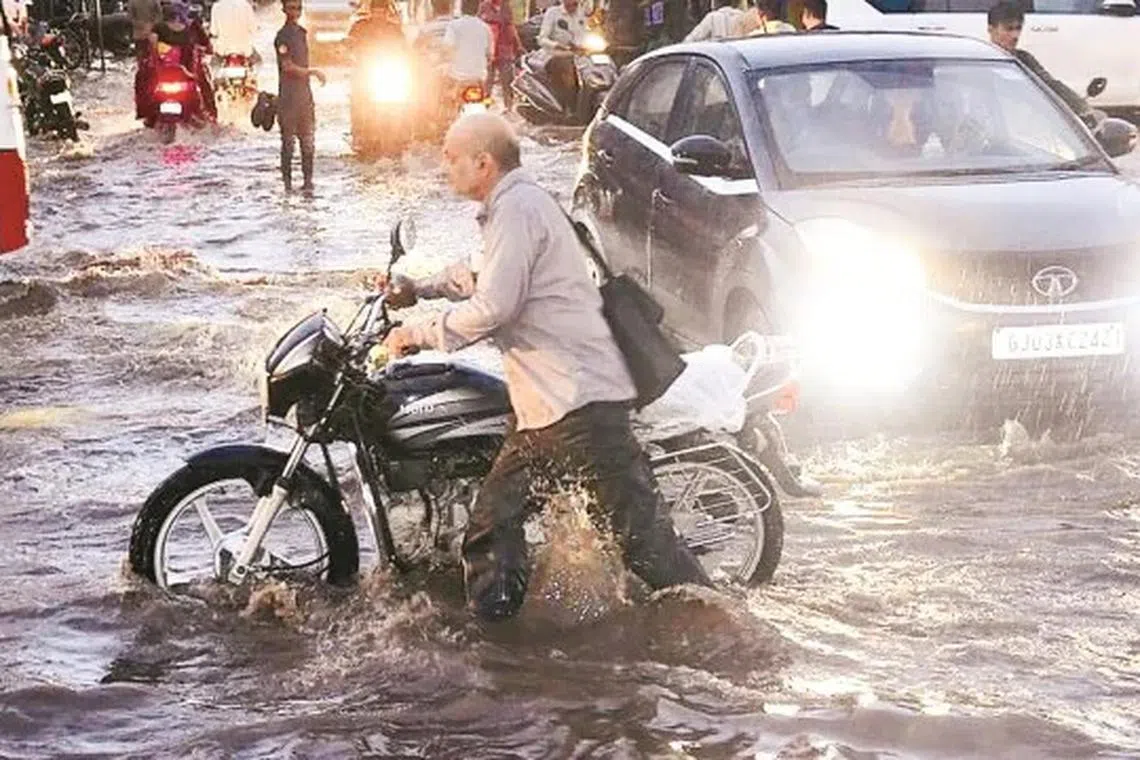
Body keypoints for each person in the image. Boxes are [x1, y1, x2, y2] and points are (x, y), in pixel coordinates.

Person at [380, 113, 712, 621]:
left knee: (640, 544)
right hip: (555, 403)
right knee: (504, 523)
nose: (443, 165)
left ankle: (721, 628)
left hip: (573, 404)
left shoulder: (516, 209)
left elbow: (494, 307)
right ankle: (505, 639)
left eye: (450, 156)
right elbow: (488, 279)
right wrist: (420, 290)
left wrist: (417, 334)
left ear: (483, 162)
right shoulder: (517, 204)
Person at [986, 0, 1086, 116]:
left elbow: (1050, 85)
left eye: (1018, 28)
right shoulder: (980, 63)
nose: (1015, 36)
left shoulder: (1024, 60)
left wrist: (1081, 107)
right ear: (991, 30)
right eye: (1009, 29)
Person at [275, 0, 326, 192]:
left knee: (308, 143)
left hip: (305, 96)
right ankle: (287, 186)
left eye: (298, 7)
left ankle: (308, 183)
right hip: (288, 98)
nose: (295, 11)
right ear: (284, 9)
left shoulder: (302, 33)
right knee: (288, 143)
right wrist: (312, 72)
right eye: (291, 7)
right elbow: (287, 66)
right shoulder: (282, 36)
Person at [538, 0, 586, 110]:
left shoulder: (581, 14)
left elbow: (583, 34)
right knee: (569, 72)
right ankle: (568, 107)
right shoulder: (553, 13)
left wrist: (582, 45)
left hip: (578, 55)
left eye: (576, 3)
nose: (574, 4)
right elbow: (542, 39)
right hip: (556, 54)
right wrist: (557, 45)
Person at [480, 0, 523, 110]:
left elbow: (511, 26)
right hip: (488, 50)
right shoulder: (484, 6)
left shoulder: (506, 7)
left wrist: (518, 45)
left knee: (507, 80)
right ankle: (486, 105)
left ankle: (508, 106)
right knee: (487, 81)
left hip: (504, 49)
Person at [443, 0, 494, 89]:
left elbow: (447, 48)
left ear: (461, 8)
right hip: (479, 78)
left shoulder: (454, 25)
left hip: (457, 77)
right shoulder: (486, 28)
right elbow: (490, 56)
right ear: (478, 9)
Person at [128, 0, 163, 122]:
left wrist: (150, 26)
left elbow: (159, 15)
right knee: (143, 71)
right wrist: (145, 25)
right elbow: (130, 18)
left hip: (150, 37)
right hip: (144, 37)